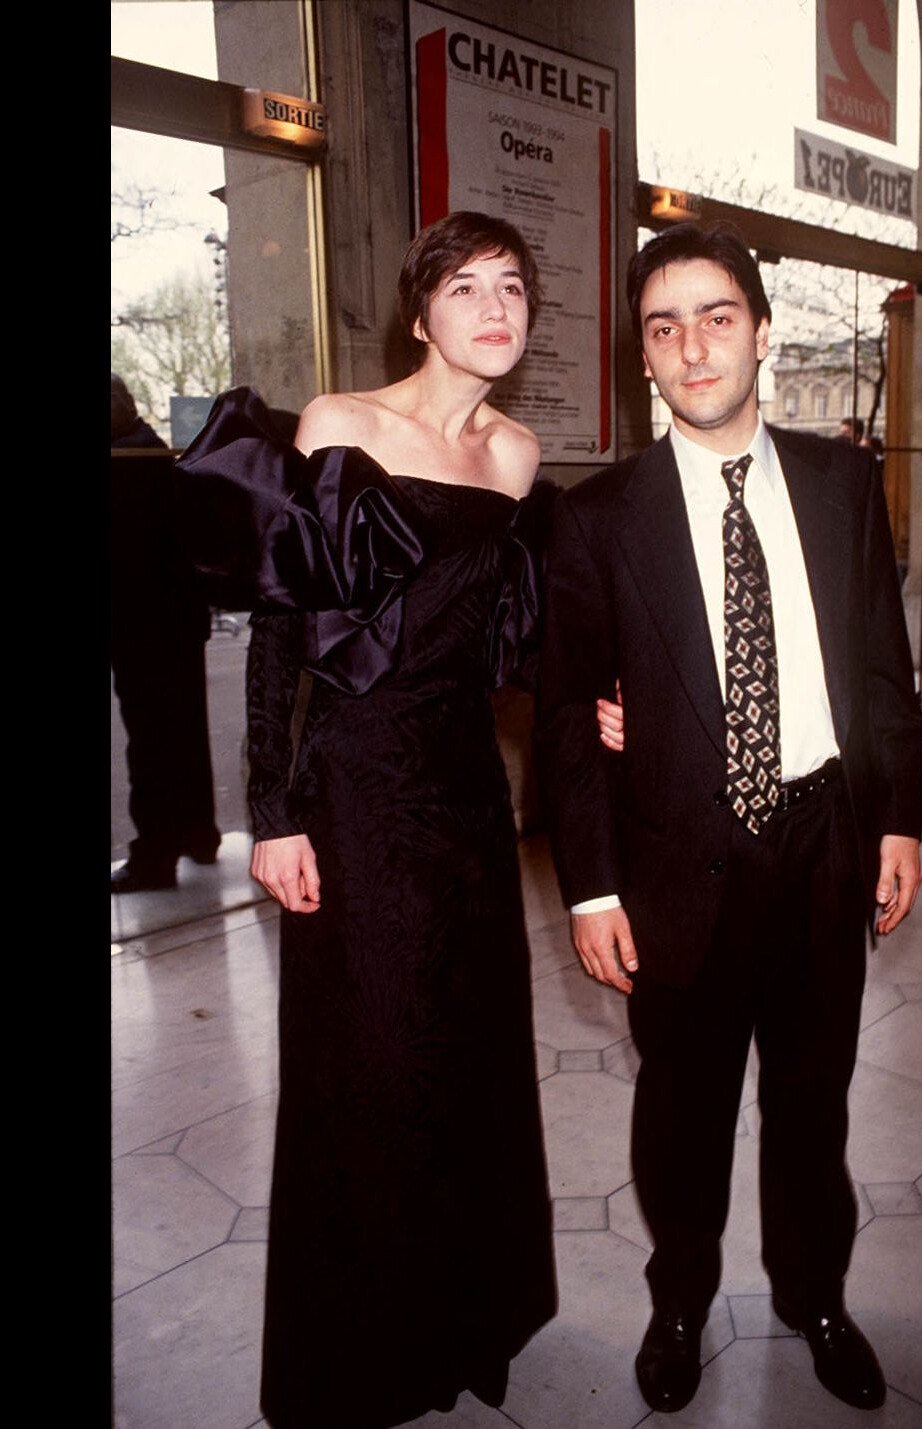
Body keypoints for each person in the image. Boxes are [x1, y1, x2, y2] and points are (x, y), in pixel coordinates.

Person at [175, 212, 566, 1428]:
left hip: (463, 787)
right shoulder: (343, 422)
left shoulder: (517, 454)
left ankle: (461, 1317)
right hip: (352, 783)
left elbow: (520, 635)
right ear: (419, 311)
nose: (493, 309)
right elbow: (281, 630)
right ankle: (363, 1346)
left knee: (467, 1056)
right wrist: (272, 810)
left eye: (512, 288)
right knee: (372, 1061)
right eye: (466, 288)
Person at [536, 221, 922, 1415]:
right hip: (674, 865)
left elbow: (879, 674)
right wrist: (592, 885)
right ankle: (678, 1298)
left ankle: (816, 1295)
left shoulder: (843, 482)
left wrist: (899, 820)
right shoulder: (597, 519)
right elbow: (564, 719)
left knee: (815, 1099)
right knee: (684, 1111)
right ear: (643, 360)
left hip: (823, 846)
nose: (693, 348)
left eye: (716, 319)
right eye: (664, 329)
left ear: (763, 333)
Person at [110, 372, 221, 892]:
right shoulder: (154, 453)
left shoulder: (124, 464)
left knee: (151, 744)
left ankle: (155, 856)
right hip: (173, 619)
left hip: (139, 622)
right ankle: (199, 836)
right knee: (183, 735)